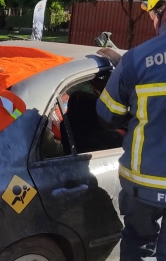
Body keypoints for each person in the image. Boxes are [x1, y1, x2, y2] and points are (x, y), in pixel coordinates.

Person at [96, 0, 166, 259]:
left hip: (143, 186)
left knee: (139, 247)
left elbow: (107, 116)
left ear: (160, 12)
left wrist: (125, 69)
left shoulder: (137, 60)